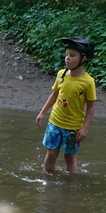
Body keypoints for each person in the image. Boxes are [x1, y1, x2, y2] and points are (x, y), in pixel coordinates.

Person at [35, 37, 97, 173]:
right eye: (67, 55)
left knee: (70, 157)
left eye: (72, 55)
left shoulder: (88, 82)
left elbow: (91, 107)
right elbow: (54, 95)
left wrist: (85, 128)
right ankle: (48, 182)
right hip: (54, 123)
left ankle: (70, 185)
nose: (67, 58)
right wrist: (42, 113)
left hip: (73, 128)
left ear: (84, 58)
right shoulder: (61, 74)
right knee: (51, 154)